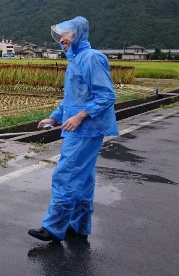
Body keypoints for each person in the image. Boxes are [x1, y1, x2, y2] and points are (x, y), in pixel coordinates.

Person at [28, 16, 118, 242]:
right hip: (78, 128)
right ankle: (79, 226)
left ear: (78, 34)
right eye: (61, 36)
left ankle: (53, 227)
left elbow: (106, 95)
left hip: (86, 129)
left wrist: (80, 116)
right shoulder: (76, 60)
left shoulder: (92, 58)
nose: (61, 39)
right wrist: (54, 118)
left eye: (66, 35)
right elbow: (72, 100)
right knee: (84, 178)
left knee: (65, 175)